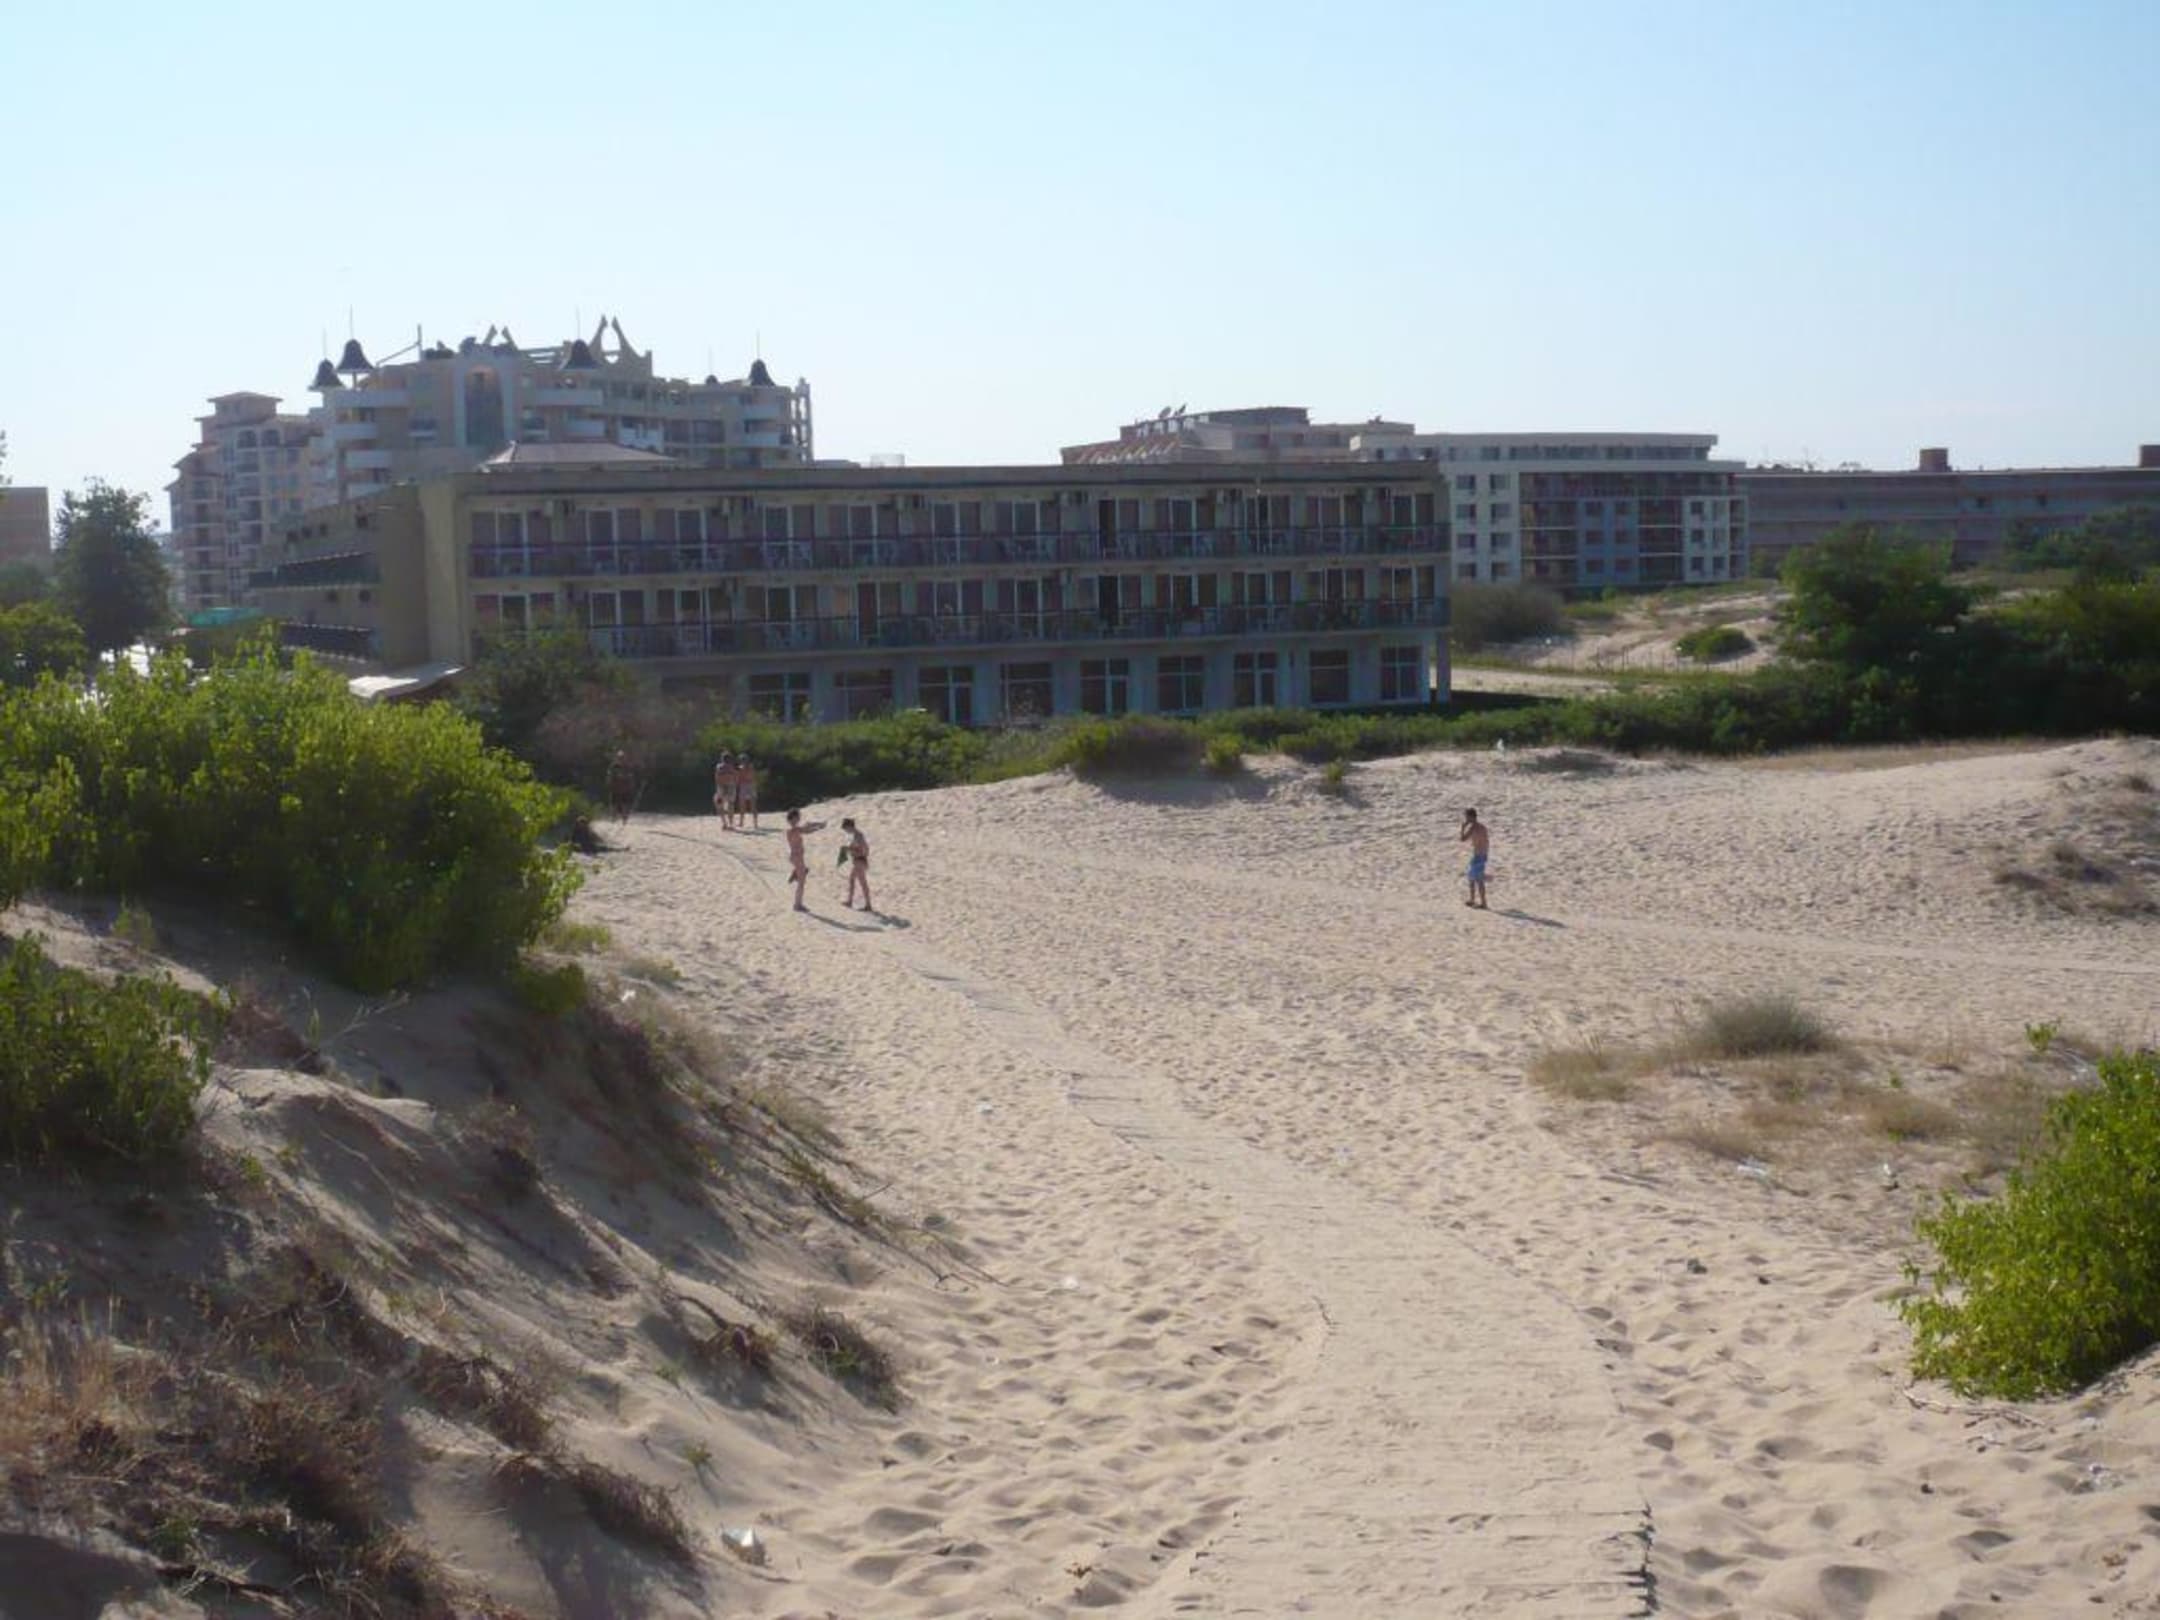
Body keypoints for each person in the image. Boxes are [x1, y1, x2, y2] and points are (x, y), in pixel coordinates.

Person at [784, 808, 826, 911]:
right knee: (801, 883)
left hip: (796, 857)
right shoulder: (793, 830)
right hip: (797, 857)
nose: (799, 819)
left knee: (803, 873)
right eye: (798, 817)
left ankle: (795, 873)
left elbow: (807, 825)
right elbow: (807, 830)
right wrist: (819, 827)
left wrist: (819, 824)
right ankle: (797, 904)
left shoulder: (793, 829)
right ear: (793, 818)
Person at [1459, 807, 1490, 909]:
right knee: (1472, 878)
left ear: (1471, 817)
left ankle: (1483, 903)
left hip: (1478, 855)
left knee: (1478, 879)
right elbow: (1486, 841)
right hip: (1483, 854)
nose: (1466, 818)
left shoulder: (1473, 828)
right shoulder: (1482, 827)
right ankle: (1473, 900)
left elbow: (1462, 839)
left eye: (1467, 816)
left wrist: (1463, 828)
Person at [840, 817, 873, 912]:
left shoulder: (858, 836)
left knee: (862, 883)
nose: (846, 831)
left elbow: (864, 849)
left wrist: (851, 850)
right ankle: (850, 901)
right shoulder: (856, 835)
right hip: (858, 861)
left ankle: (868, 905)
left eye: (846, 829)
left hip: (859, 861)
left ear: (849, 826)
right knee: (852, 879)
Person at [606, 749, 638, 823]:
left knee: (625, 805)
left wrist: (631, 785)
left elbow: (631, 777)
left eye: (622, 757)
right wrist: (609, 783)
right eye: (620, 757)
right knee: (614, 804)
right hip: (615, 789)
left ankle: (624, 819)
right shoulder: (613, 766)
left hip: (625, 789)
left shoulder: (627, 767)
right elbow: (609, 776)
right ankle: (613, 819)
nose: (621, 759)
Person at [713, 752, 736, 830]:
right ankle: (730, 823)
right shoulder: (732, 767)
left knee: (720, 805)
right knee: (730, 805)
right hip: (730, 786)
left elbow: (717, 778)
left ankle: (724, 823)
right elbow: (734, 777)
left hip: (721, 787)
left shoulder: (719, 766)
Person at [738, 754, 760, 831]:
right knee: (746, 805)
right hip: (749, 785)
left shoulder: (744, 768)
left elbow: (741, 778)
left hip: (747, 785)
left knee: (749, 805)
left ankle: (751, 822)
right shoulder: (749, 767)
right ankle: (750, 823)